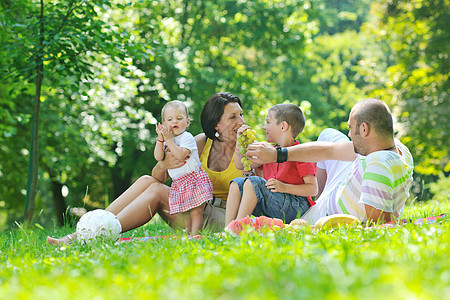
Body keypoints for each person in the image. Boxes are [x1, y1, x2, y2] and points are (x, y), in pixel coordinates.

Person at [47, 92, 245, 244]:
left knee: (157, 192)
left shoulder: (249, 148)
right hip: (194, 207)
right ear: (216, 123)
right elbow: (157, 177)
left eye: (241, 115)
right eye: (233, 117)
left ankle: (95, 233)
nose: (241, 122)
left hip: (223, 218)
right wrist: (165, 163)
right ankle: (85, 231)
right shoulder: (201, 142)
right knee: (146, 181)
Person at [246, 98, 414, 225]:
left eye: (350, 128)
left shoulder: (377, 166)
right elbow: (329, 150)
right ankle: (315, 196)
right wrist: (278, 155)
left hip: (325, 212)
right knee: (328, 134)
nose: (348, 134)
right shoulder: (397, 148)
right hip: (342, 183)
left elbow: (377, 226)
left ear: (364, 129)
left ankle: (313, 203)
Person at [225, 103, 318, 226]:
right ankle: (227, 230)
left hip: (295, 207)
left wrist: (284, 187)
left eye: (268, 122)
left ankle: (238, 229)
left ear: (283, 126)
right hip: (275, 202)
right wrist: (239, 143)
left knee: (254, 182)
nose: (264, 127)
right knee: (237, 183)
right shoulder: (268, 152)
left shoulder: (300, 153)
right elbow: (240, 165)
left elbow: (313, 189)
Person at [154, 100, 213, 235]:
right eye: (169, 119)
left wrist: (168, 140)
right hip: (179, 183)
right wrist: (160, 139)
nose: (174, 122)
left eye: (179, 118)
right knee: (185, 214)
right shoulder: (167, 140)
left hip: (194, 180)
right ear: (164, 124)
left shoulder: (187, 137)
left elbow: (180, 155)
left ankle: (195, 235)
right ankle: (188, 235)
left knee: (196, 212)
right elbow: (158, 157)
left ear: (187, 122)